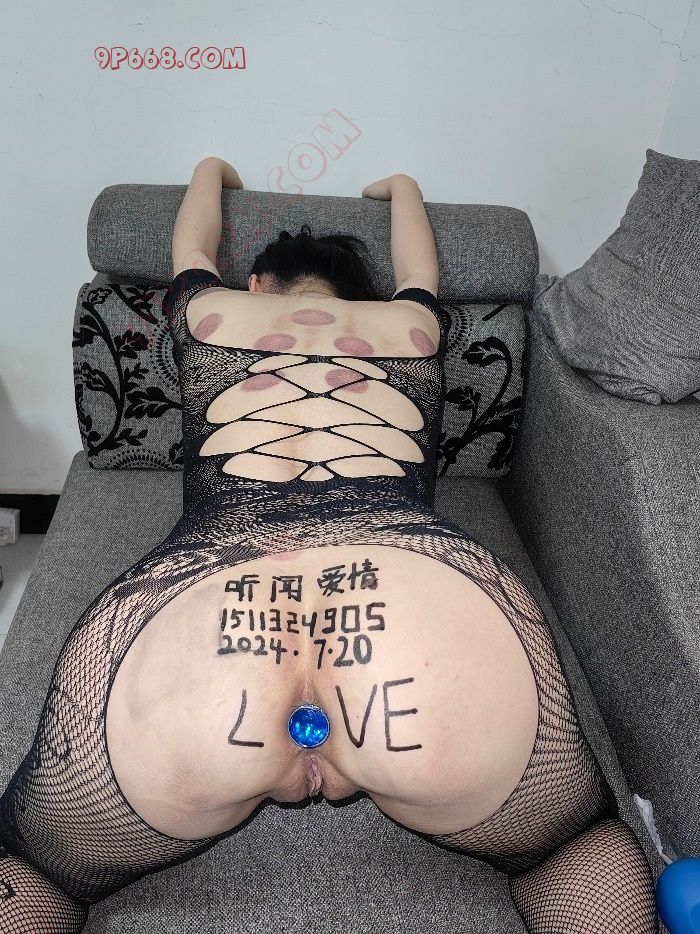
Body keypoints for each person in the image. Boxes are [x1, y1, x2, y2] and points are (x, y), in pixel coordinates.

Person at [0, 157, 658, 933]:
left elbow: (193, 243)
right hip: (411, 613)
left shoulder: (210, 310)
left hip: (211, 618)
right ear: (365, 300)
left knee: (36, 865)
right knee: (574, 845)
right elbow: (420, 268)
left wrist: (211, 169)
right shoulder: (413, 326)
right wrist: (401, 187)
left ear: (257, 284)